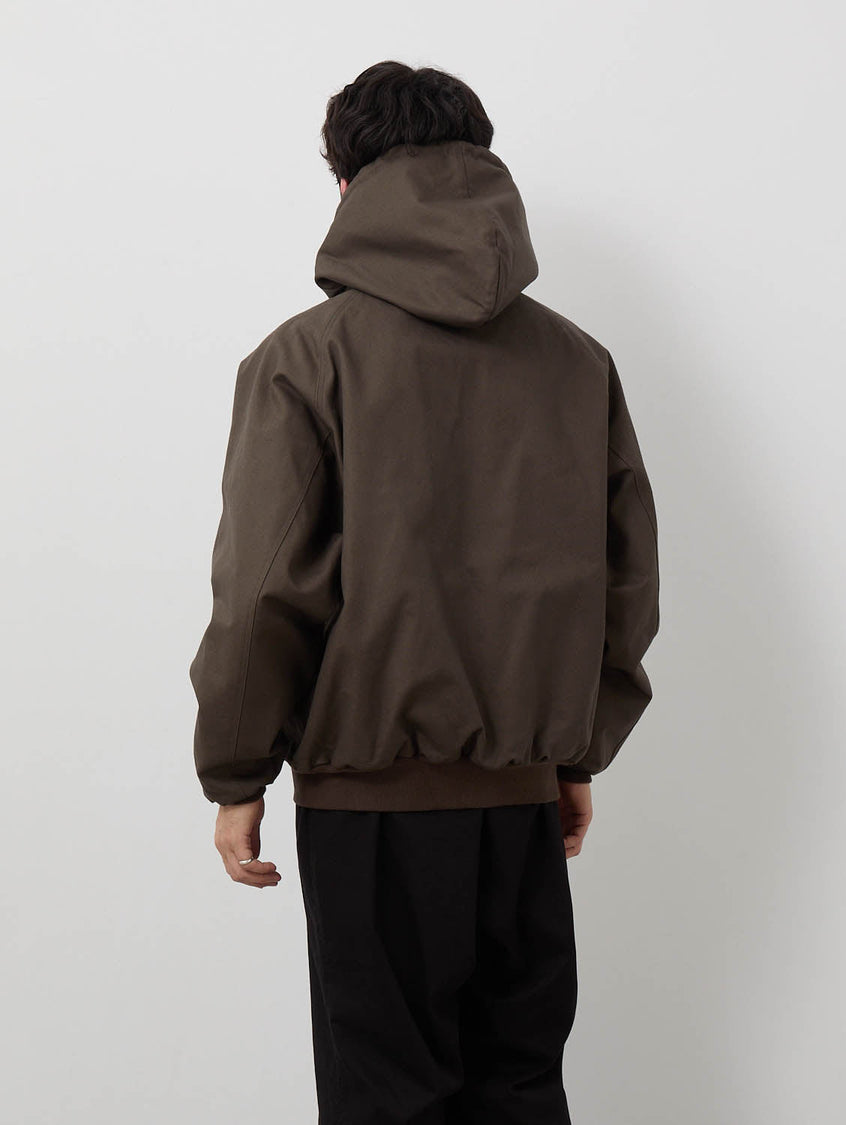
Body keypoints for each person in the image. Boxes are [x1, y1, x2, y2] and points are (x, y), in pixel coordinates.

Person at [189, 60, 660, 1125]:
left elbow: (263, 591)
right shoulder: (577, 363)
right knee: (520, 1090)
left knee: (386, 1101)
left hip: (373, 812)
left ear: (347, 185)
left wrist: (236, 770)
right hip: (522, 803)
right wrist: (569, 751)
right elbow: (626, 575)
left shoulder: (305, 360)